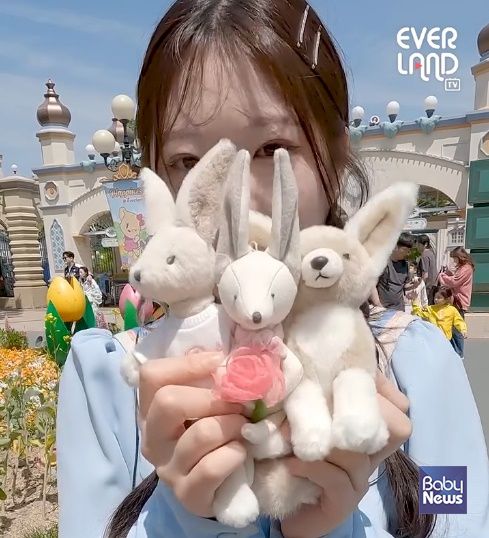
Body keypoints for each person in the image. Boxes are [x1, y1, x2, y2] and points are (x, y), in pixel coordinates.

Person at [56, 2, 489, 538]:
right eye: (189, 161)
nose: (236, 198)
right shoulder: (111, 384)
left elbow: (458, 515)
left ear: (334, 159)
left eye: (271, 148)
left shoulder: (420, 369)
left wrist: (333, 529)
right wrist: (193, 516)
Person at [439, 246, 475, 358]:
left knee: (456, 328)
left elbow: (455, 281)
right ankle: (455, 352)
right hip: (456, 300)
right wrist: (448, 272)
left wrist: (442, 276)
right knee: (451, 327)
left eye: (454, 258)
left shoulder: (466, 268)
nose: (454, 260)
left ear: (460, 257)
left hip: (459, 301)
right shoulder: (462, 267)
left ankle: (459, 353)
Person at [411, 286, 467, 356]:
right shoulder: (430, 309)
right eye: (435, 297)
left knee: (445, 357)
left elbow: (459, 321)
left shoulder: (452, 310)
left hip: (446, 341)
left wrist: (463, 330)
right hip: (434, 340)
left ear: (446, 299)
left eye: (439, 298)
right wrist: (415, 300)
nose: (436, 299)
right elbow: (418, 312)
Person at [371, 233, 414, 311]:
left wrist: (414, 285)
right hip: (383, 309)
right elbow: (371, 285)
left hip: (399, 309)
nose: (407, 253)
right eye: (405, 250)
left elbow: (404, 286)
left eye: (409, 251)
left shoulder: (405, 265)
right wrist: (378, 304)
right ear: (395, 247)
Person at [417, 234, 438, 304]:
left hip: (427, 286)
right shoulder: (431, 253)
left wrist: (420, 287)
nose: (417, 246)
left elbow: (425, 274)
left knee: (425, 305)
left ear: (425, 244)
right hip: (433, 284)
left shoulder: (424, 255)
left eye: (419, 244)